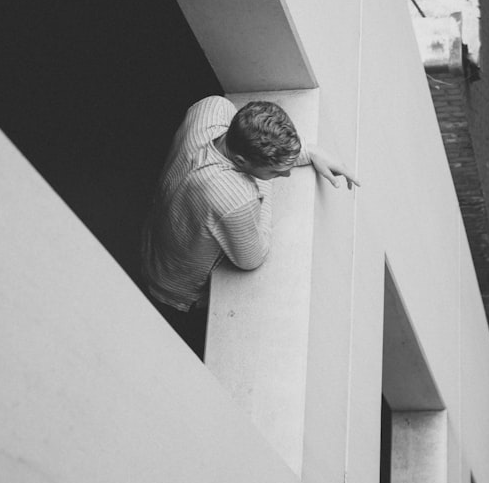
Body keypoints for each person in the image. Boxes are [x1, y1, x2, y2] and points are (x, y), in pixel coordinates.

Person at [141, 95, 359, 358]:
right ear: (242, 162)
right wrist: (259, 193)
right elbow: (252, 257)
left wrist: (307, 151)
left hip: (155, 242)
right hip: (177, 292)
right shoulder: (234, 198)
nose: (286, 176)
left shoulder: (212, 107)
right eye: (277, 172)